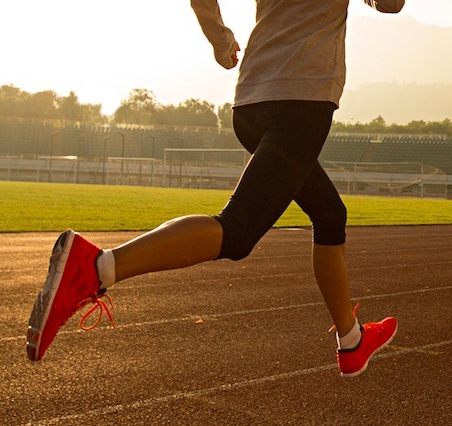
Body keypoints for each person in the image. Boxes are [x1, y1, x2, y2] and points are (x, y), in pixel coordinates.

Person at [26, 0, 404, 378]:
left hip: (251, 102)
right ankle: (96, 268)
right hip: (300, 99)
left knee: (329, 213)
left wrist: (219, 38)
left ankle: (351, 341)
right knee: (237, 231)